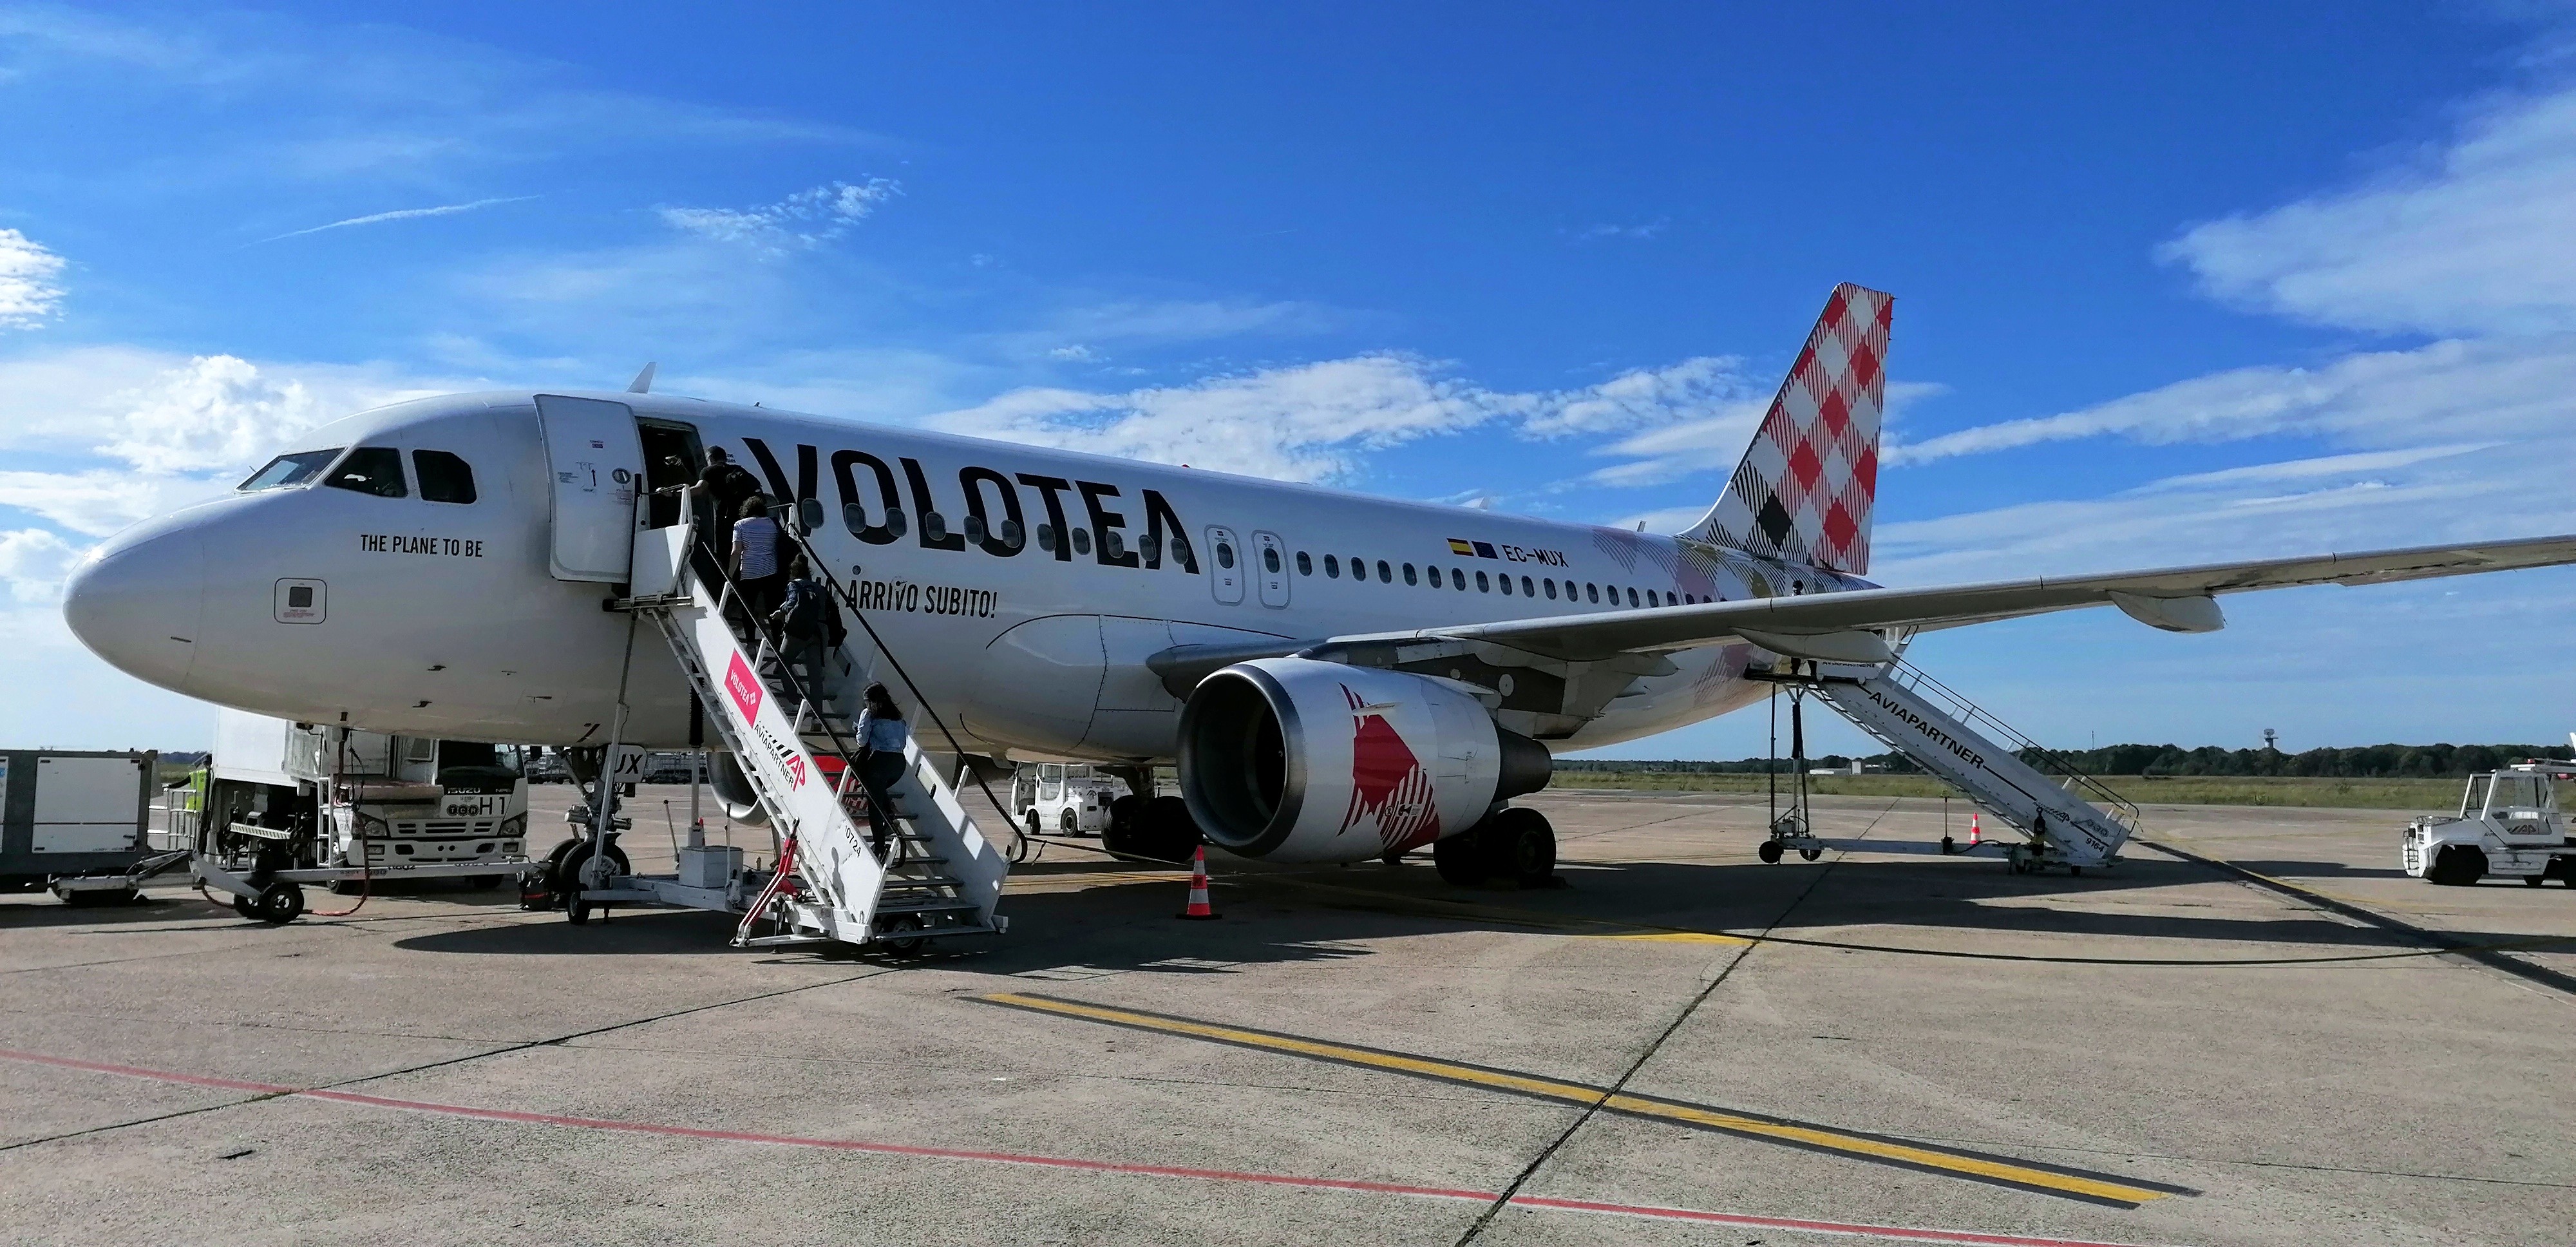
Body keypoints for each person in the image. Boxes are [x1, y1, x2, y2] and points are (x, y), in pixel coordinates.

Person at [658, 446, 764, 571]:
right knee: (743, 548)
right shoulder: (738, 469)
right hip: (744, 516)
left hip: (725, 518)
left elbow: (699, 489)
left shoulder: (709, 471)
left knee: (726, 549)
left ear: (710, 458)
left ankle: (727, 577)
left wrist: (673, 494)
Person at [769, 555, 845, 707]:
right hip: (820, 633)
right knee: (815, 677)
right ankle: (818, 713)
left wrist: (780, 612)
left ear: (793, 572)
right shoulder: (820, 589)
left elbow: (792, 602)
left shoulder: (794, 585)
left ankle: (794, 698)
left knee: (783, 664)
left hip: (799, 631)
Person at [852, 684, 910, 856]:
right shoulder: (898, 719)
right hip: (899, 763)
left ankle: (879, 848)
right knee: (878, 789)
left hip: (880, 762)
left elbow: (862, 741)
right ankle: (890, 815)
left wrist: (859, 730)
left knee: (874, 807)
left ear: (872, 701)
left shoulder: (869, 714)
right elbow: (902, 743)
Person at [728, 495, 786, 624]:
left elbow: (736, 551)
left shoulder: (740, 525)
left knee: (748, 609)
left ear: (746, 510)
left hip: (750, 573)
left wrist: (730, 575)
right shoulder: (772, 523)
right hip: (771, 571)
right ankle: (777, 635)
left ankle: (750, 636)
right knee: (772, 607)